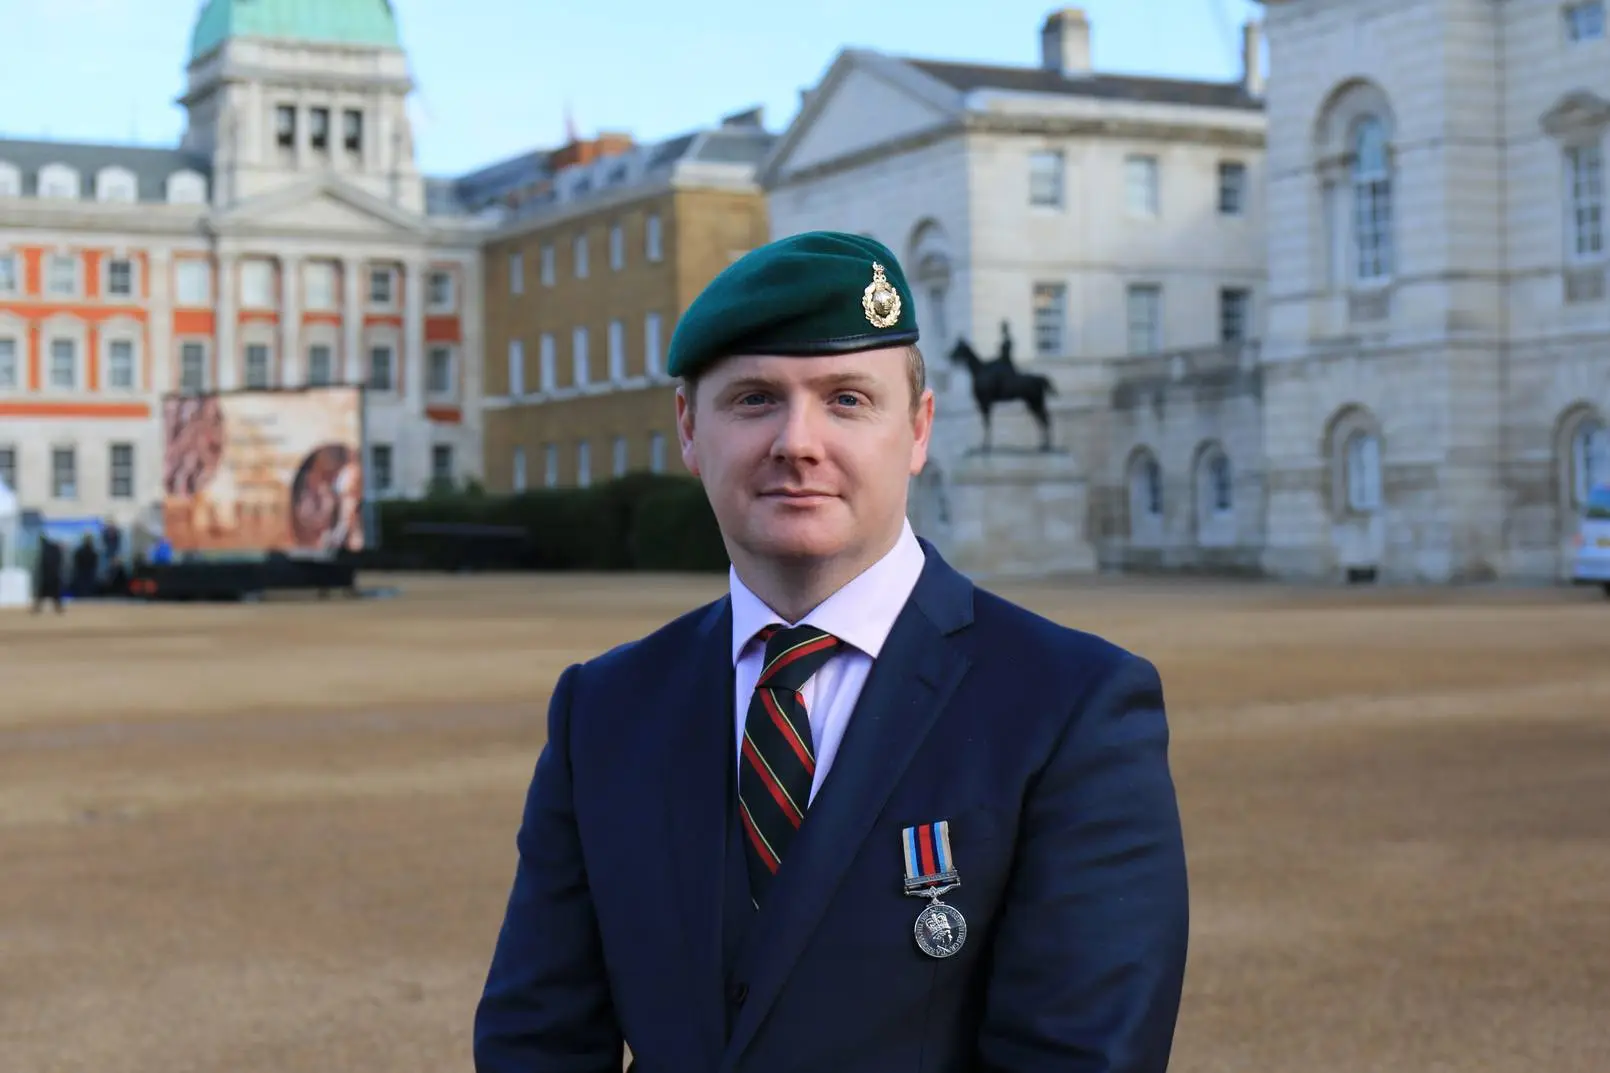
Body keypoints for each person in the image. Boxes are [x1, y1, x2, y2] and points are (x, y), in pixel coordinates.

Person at [473, 231, 1189, 1073]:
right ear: (688, 429)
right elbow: (537, 1042)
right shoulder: (605, 707)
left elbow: (1078, 1059)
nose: (798, 442)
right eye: (753, 399)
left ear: (918, 430)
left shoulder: (1072, 706)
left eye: (847, 399)